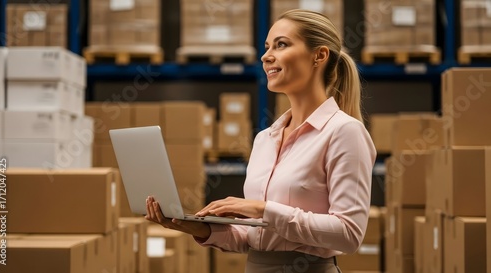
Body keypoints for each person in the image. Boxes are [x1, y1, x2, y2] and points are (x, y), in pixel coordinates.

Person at [145, 9, 376, 273]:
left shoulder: (344, 132)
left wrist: (263, 209)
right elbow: (252, 237)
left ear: (319, 56)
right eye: (267, 47)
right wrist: (196, 227)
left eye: (282, 44)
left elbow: (348, 235)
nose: (266, 56)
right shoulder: (265, 139)